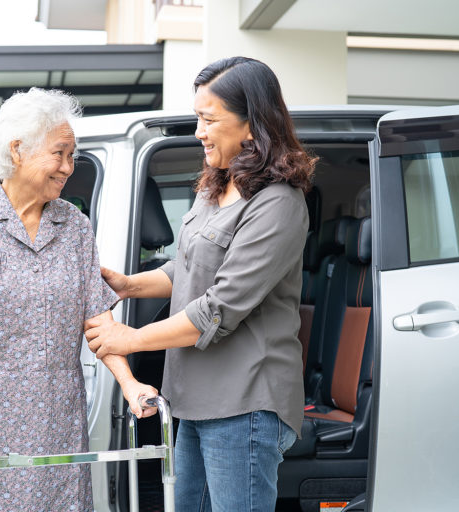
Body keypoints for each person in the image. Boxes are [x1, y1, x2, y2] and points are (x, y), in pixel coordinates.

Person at [85, 57, 315, 511]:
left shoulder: (278, 205)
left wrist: (129, 339)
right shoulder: (216, 187)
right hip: (190, 399)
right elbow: (187, 267)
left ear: (253, 125)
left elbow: (217, 309)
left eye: (209, 120)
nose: (198, 131)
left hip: (243, 402)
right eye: (197, 118)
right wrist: (129, 285)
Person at [0, 87, 157, 512]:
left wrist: (130, 384)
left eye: (71, 155)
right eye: (59, 154)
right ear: (18, 150)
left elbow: (97, 322)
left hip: (59, 420)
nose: (68, 167)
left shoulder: (74, 224)